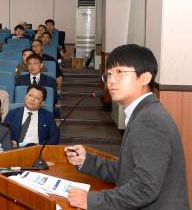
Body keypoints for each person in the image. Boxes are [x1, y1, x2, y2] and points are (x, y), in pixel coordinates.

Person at [65, 44, 189, 210]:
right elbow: (128, 170)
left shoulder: (149, 120)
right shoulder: (145, 112)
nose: (111, 80)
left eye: (119, 72)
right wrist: (86, 161)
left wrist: (91, 200)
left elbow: (144, 188)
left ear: (144, 78)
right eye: (108, 74)